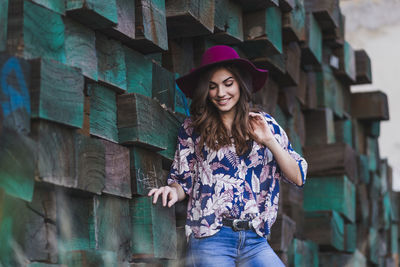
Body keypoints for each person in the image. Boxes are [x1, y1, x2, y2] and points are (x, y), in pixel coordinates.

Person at [148, 45, 307, 267]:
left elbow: (298, 176)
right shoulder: (193, 129)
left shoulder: (265, 124)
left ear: (241, 84)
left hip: (255, 239)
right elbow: (183, 181)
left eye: (228, 84)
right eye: (212, 87)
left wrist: (269, 140)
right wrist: (171, 191)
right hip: (211, 237)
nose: (221, 93)